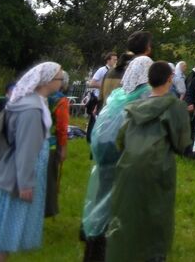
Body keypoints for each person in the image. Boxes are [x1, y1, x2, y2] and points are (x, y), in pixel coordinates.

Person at [0, 62, 64, 260]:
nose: (61, 82)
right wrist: (26, 183)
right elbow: (26, 148)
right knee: (1, 231)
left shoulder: (34, 101)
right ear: (46, 81)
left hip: (15, 172)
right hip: (17, 176)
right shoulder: (31, 108)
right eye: (59, 78)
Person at [102, 61, 192, 262]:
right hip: (158, 166)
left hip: (127, 165)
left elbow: (121, 139)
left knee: (128, 211)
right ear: (170, 79)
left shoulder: (133, 107)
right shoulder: (175, 106)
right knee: (156, 213)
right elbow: (181, 142)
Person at [81, 52, 154, 261]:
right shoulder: (145, 96)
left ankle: (95, 251)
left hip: (105, 159)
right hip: (126, 161)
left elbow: (99, 132)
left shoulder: (118, 96)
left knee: (102, 205)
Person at [44, 73, 71, 218]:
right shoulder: (61, 100)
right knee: (49, 179)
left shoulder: (40, 94)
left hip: (34, 143)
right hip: (51, 145)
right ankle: (48, 209)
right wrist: (63, 148)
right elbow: (62, 127)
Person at [85, 54, 118, 139]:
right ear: (108, 60)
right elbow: (92, 83)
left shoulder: (115, 72)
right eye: (114, 59)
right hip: (98, 98)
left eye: (116, 60)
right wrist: (104, 85)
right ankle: (90, 137)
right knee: (95, 118)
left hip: (108, 98)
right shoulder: (102, 70)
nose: (116, 61)